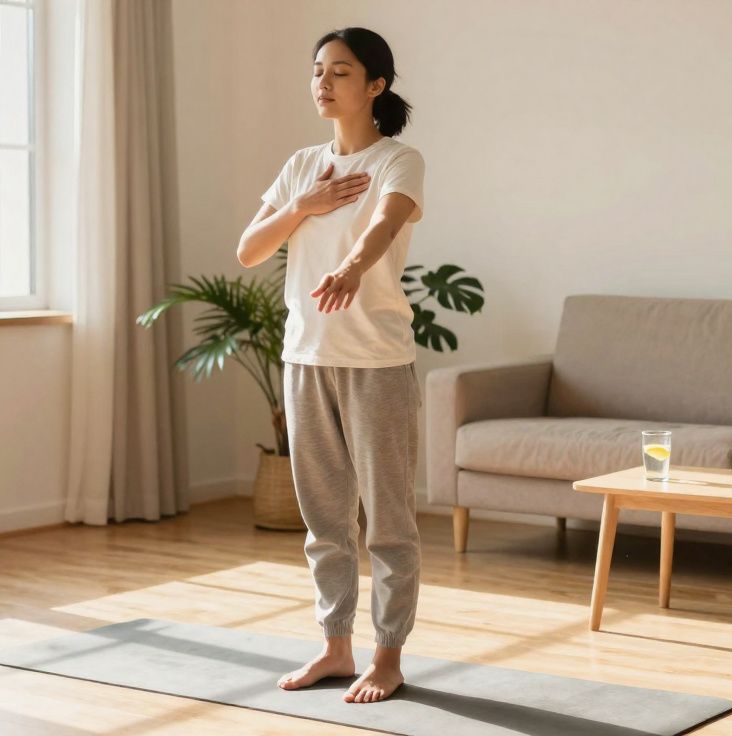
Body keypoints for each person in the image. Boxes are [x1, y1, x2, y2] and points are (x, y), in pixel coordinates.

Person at [236, 26, 426, 704]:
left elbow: (384, 224)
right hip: (306, 357)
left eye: (340, 72)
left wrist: (349, 266)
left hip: (376, 361)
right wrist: (303, 205)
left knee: (389, 520)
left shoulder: (398, 160)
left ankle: (389, 656)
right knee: (324, 520)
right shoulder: (300, 165)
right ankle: (336, 648)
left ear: (376, 85)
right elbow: (249, 251)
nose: (323, 82)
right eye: (317, 70)